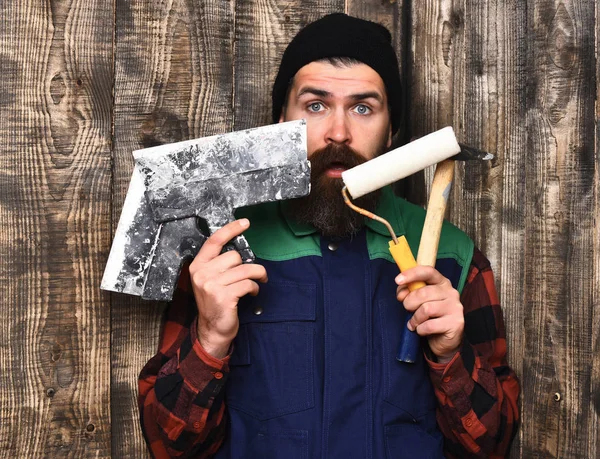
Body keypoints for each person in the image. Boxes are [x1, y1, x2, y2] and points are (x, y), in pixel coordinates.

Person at [138, 13, 520, 459]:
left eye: (363, 107)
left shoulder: (453, 258)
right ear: (282, 119)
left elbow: (494, 445)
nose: (338, 132)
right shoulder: (223, 253)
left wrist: (451, 355)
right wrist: (209, 341)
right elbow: (168, 446)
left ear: (391, 128)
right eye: (315, 105)